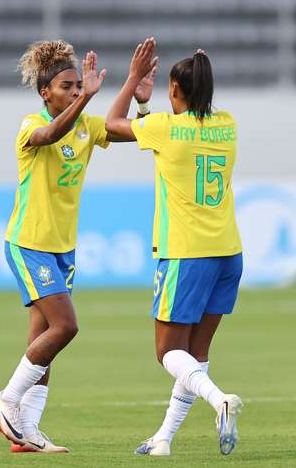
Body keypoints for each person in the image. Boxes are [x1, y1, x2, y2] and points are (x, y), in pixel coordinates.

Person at [0, 39, 157, 453]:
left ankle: (27, 431)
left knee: (43, 339)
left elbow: (132, 131)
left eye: (78, 85)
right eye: (67, 87)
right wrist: (86, 100)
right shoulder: (31, 125)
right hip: (30, 243)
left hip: (63, 248)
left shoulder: (85, 126)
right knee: (66, 327)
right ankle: (6, 399)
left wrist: (138, 95)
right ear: (45, 92)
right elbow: (50, 134)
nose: (75, 92)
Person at [105, 42, 244, 456]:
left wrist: (133, 81)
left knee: (168, 351)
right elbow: (171, 137)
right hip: (228, 252)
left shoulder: (165, 127)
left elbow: (112, 124)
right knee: (195, 355)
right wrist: (148, 108)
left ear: (175, 90)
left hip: (186, 253)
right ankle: (163, 439)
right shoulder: (228, 125)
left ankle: (219, 400)